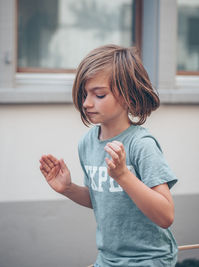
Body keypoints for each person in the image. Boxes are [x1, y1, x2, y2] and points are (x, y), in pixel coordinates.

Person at [39, 44, 178, 267]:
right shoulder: (87, 143)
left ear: (128, 95)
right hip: (108, 259)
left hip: (149, 259)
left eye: (99, 94)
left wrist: (123, 175)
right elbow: (103, 199)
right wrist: (68, 189)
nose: (86, 103)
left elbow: (166, 216)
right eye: (85, 94)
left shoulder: (141, 145)